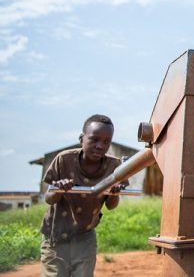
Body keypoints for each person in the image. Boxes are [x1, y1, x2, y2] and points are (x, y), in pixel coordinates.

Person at [40, 114, 127, 277]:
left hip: (85, 234)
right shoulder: (64, 160)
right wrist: (59, 189)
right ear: (82, 138)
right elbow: (48, 199)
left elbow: (111, 205)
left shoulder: (114, 167)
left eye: (106, 141)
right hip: (56, 234)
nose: (100, 146)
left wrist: (114, 193)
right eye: (94, 139)